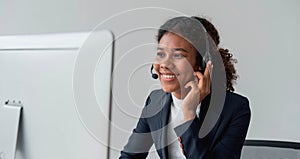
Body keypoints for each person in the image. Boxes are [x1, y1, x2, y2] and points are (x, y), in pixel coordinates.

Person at [120, 16, 251, 159]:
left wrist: (188, 113)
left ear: (201, 63)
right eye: (161, 54)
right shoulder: (155, 101)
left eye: (178, 55)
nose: (164, 64)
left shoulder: (234, 109)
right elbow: (129, 156)